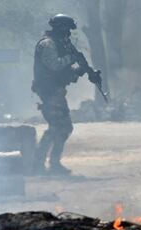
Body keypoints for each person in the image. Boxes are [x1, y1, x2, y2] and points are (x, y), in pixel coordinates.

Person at [32, 14, 100, 175]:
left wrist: (83, 70)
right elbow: (55, 66)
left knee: (62, 128)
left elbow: (65, 72)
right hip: (49, 91)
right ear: (60, 28)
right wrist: (73, 57)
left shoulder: (59, 44)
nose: (69, 34)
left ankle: (49, 163)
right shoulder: (48, 44)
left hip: (55, 91)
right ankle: (40, 163)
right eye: (67, 30)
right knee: (58, 127)